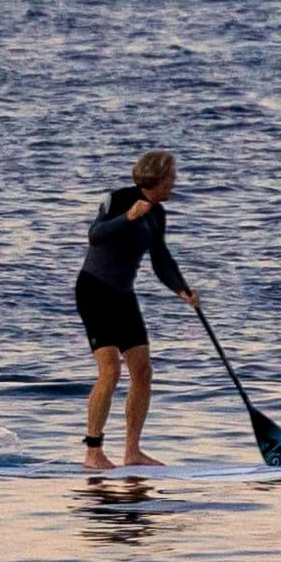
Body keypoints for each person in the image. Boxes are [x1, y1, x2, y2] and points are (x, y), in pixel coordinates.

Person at [77, 150, 195, 471]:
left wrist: (182, 289)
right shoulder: (118, 199)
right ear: (156, 178)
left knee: (142, 371)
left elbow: (161, 260)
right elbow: (95, 235)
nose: (175, 182)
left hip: (123, 295)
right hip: (95, 291)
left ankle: (132, 451)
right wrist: (127, 217)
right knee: (111, 371)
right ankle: (93, 452)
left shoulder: (157, 214)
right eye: (171, 176)